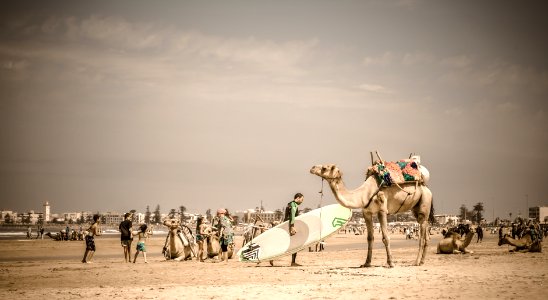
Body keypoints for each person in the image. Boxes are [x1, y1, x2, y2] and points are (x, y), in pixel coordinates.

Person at [280, 192, 304, 267]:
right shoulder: (293, 205)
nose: (302, 201)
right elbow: (292, 216)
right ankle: (293, 262)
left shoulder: (289, 204)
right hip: (289, 226)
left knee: (286, 243)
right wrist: (292, 227)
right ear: (297, 198)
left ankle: (272, 258)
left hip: (286, 224)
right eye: (302, 199)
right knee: (295, 244)